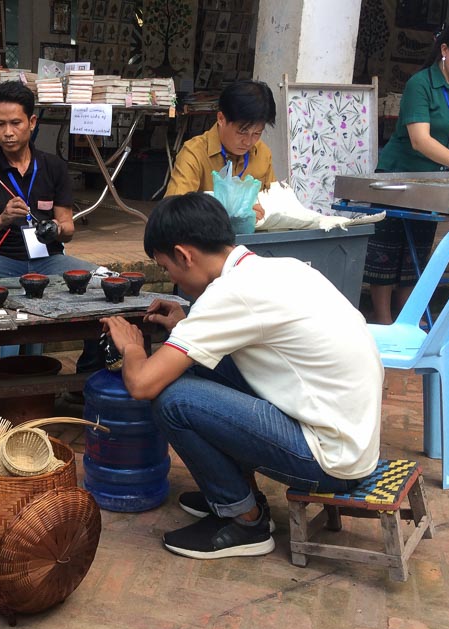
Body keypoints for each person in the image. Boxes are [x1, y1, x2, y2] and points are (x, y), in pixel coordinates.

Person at [101, 193, 383, 559]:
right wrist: (188, 327)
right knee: (202, 364)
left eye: (168, 268)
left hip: (329, 459)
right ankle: (231, 491)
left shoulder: (230, 294)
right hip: (352, 439)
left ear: (185, 255)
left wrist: (133, 346)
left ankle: (244, 520)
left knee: (173, 400)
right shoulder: (274, 268)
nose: (172, 279)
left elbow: (142, 384)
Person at [0, 81, 101, 381]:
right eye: (0, 124)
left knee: (107, 283)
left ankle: (86, 377)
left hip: (49, 261)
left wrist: (54, 228)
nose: (8, 132)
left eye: (15, 123)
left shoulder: (53, 167)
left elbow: (68, 229)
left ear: (32, 122)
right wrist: (0, 220)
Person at [364, 17, 449, 324]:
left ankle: (408, 318)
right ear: (444, 48)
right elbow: (420, 139)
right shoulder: (420, 84)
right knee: (388, 251)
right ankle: (384, 321)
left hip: (431, 181)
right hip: (398, 179)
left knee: (416, 252)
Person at [165, 80, 277, 222]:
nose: (248, 142)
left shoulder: (262, 153)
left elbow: (274, 203)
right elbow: (173, 212)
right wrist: (228, 211)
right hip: (206, 240)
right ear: (221, 119)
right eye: (242, 132)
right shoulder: (194, 153)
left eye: (257, 133)